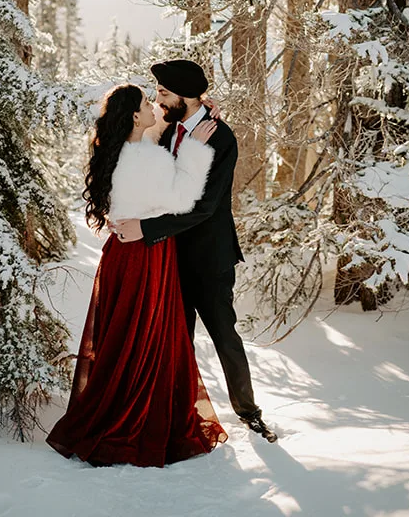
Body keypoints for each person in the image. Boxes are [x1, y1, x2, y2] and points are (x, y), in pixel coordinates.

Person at [45, 84, 228, 467]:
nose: (155, 108)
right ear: (133, 116)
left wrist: (193, 118)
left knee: (123, 335)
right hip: (147, 256)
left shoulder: (121, 152)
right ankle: (133, 415)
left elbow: (155, 138)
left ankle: (114, 404)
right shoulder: (148, 159)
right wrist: (195, 148)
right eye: (147, 104)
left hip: (120, 255)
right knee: (143, 337)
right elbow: (182, 199)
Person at [111, 60, 278, 443]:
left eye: (164, 94)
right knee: (175, 339)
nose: (158, 100)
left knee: (224, 336)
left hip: (210, 258)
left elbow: (202, 207)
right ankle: (174, 412)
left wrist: (146, 229)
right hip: (168, 257)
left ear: (185, 96)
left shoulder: (221, 139)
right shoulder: (170, 130)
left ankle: (249, 413)